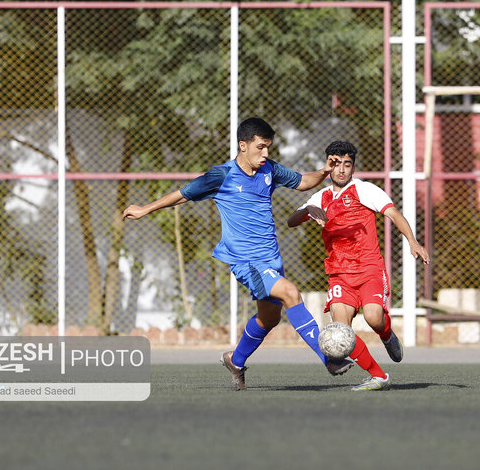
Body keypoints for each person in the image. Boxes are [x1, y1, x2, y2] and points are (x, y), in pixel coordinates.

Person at [122, 118, 353, 391]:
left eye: (268, 147)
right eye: (260, 147)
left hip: (270, 259)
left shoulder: (270, 170)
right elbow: (183, 194)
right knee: (291, 293)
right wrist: (145, 209)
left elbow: (303, 182)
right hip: (246, 261)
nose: (265, 153)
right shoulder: (222, 175)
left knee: (269, 318)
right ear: (243, 146)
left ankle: (236, 359)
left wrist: (325, 171)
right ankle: (329, 358)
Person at [287, 141, 430, 391]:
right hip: (339, 275)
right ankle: (379, 376)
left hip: (369, 269)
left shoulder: (365, 191)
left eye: (347, 164)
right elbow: (291, 221)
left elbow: (394, 214)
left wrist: (413, 241)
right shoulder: (320, 197)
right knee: (342, 332)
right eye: (336, 164)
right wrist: (308, 209)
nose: (341, 170)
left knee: (374, 317)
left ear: (353, 167)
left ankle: (386, 334)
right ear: (328, 166)